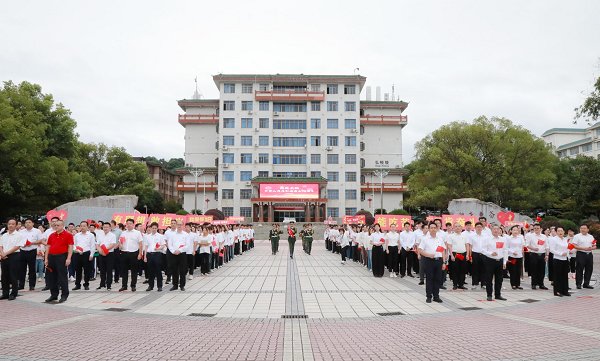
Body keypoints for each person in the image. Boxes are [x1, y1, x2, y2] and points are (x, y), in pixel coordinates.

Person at [45, 220, 73, 303]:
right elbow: (48, 247)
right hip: (51, 257)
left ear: (62, 226)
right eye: (55, 225)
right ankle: (54, 295)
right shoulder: (51, 235)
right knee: (51, 277)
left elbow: (70, 247)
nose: (56, 226)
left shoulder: (68, 235)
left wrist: (68, 258)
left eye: (58, 225)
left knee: (62, 277)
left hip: (62, 257)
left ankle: (64, 295)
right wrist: (46, 258)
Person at [418, 222, 446, 303]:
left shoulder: (440, 239)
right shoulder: (425, 239)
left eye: (434, 228)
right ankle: (429, 296)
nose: (433, 229)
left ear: (437, 229)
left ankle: (436, 296)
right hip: (429, 261)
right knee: (429, 279)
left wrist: (444, 262)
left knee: (437, 279)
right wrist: (428, 255)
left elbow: (442, 251)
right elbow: (420, 250)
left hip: (439, 261)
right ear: (429, 229)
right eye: (431, 228)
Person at [1, 219, 25, 300]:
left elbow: (17, 246)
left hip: (14, 256)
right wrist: (2, 253)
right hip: (4, 256)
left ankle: (13, 293)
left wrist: (6, 253)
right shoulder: (4, 235)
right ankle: (5, 293)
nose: (10, 225)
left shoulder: (19, 235)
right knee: (4, 275)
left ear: (16, 225)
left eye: (12, 224)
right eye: (9, 224)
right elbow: (1, 246)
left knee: (13, 275)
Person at [482, 226, 508, 301]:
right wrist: (490, 253)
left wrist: (505, 262)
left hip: (500, 261)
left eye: (497, 229)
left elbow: (505, 251)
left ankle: (498, 295)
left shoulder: (503, 239)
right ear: (491, 230)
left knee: (499, 279)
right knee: (489, 278)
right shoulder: (487, 239)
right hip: (490, 261)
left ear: (500, 230)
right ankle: (489, 295)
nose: (496, 230)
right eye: (494, 229)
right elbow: (483, 250)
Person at [118, 219, 143, 292]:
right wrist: (120, 245)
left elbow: (140, 244)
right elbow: (120, 242)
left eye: (130, 223)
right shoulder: (123, 233)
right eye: (127, 223)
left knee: (134, 271)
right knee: (124, 271)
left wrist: (140, 254)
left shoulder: (137, 233)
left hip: (134, 253)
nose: (128, 225)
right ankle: (124, 286)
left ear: (133, 224)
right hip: (124, 253)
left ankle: (133, 285)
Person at [18, 218, 43, 291]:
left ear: (32, 223)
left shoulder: (37, 231)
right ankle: (21, 285)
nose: (27, 224)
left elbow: (41, 241)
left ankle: (32, 285)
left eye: (29, 222)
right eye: (26, 222)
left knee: (32, 269)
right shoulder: (21, 232)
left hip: (32, 251)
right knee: (22, 269)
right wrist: (23, 244)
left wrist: (31, 243)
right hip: (23, 250)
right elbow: (19, 241)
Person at [72, 221, 96, 291]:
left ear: (87, 227)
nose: (82, 227)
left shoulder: (91, 235)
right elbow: (74, 244)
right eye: (81, 226)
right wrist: (76, 250)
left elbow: (92, 245)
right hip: (78, 254)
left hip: (86, 253)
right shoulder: (77, 235)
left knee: (87, 270)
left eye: (84, 226)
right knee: (78, 270)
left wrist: (91, 254)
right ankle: (77, 284)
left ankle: (86, 284)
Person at [571, 224, 596, 289]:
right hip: (581, 254)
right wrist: (583, 248)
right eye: (581, 228)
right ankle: (578, 284)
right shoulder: (577, 236)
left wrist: (591, 248)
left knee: (589, 269)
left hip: (589, 254)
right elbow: (574, 245)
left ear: (588, 229)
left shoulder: (591, 236)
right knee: (579, 269)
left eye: (584, 228)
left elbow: (595, 246)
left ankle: (586, 284)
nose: (583, 229)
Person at [525, 224, 549, 290]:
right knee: (534, 270)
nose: (536, 230)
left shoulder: (544, 237)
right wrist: (533, 248)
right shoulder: (531, 236)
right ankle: (534, 284)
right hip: (534, 254)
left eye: (538, 228)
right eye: (535, 228)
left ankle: (541, 284)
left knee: (542, 270)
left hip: (542, 254)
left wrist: (547, 255)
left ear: (540, 229)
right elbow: (527, 245)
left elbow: (547, 246)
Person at [143, 222, 165, 292]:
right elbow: (146, 246)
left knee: (158, 270)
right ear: (150, 228)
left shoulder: (160, 236)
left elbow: (163, 245)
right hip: (149, 254)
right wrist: (145, 256)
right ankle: (150, 286)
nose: (154, 229)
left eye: (155, 228)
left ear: (157, 228)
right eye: (153, 228)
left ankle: (159, 286)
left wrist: (158, 248)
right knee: (150, 271)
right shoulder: (147, 236)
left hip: (157, 254)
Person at [549, 227, 571, 297]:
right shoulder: (553, 239)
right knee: (557, 276)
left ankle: (565, 291)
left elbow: (567, 248)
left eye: (561, 231)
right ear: (556, 232)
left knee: (564, 275)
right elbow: (552, 250)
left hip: (565, 259)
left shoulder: (565, 239)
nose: (560, 232)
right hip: (557, 259)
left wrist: (568, 254)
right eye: (558, 231)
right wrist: (560, 253)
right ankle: (557, 291)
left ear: (564, 232)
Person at [166, 221, 188, 291]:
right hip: (174, 254)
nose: (179, 226)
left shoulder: (186, 235)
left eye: (180, 225)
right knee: (174, 270)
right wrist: (173, 251)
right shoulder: (172, 235)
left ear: (183, 226)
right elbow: (169, 244)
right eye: (178, 225)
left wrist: (180, 250)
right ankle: (175, 285)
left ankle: (182, 285)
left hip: (182, 254)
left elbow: (187, 245)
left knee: (182, 270)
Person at [96, 222, 117, 290]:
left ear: (110, 228)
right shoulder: (100, 235)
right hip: (101, 254)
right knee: (102, 270)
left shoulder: (112, 235)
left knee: (109, 270)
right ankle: (102, 284)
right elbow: (97, 244)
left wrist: (105, 250)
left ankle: (108, 285)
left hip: (109, 254)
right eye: (104, 227)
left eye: (107, 227)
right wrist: (100, 251)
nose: (105, 228)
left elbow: (112, 244)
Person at [466, 222, 488, 290]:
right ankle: (475, 283)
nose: (479, 228)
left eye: (480, 227)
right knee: (475, 269)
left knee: (484, 269)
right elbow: (470, 246)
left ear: (482, 228)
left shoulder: (486, 236)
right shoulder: (472, 236)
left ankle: (483, 284)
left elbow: (488, 246)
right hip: (475, 254)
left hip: (484, 254)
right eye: (477, 227)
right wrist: (469, 255)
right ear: (475, 228)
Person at [446, 223, 468, 290]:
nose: (457, 228)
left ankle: (461, 284)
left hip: (463, 254)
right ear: (453, 228)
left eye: (459, 226)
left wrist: (467, 254)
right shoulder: (451, 236)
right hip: (455, 254)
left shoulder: (464, 236)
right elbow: (449, 246)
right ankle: (455, 284)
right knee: (454, 270)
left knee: (462, 270)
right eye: (456, 226)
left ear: (461, 228)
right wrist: (451, 255)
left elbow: (466, 245)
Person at [505, 225, 525, 290]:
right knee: (513, 270)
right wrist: (512, 252)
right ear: (511, 231)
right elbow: (506, 248)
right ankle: (513, 284)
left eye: (516, 230)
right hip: (512, 256)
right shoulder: (508, 238)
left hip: (519, 256)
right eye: (514, 230)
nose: (515, 231)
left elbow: (522, 245)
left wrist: (521, 251)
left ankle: (518, 284)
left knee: (518, 271)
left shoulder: (520, 238)